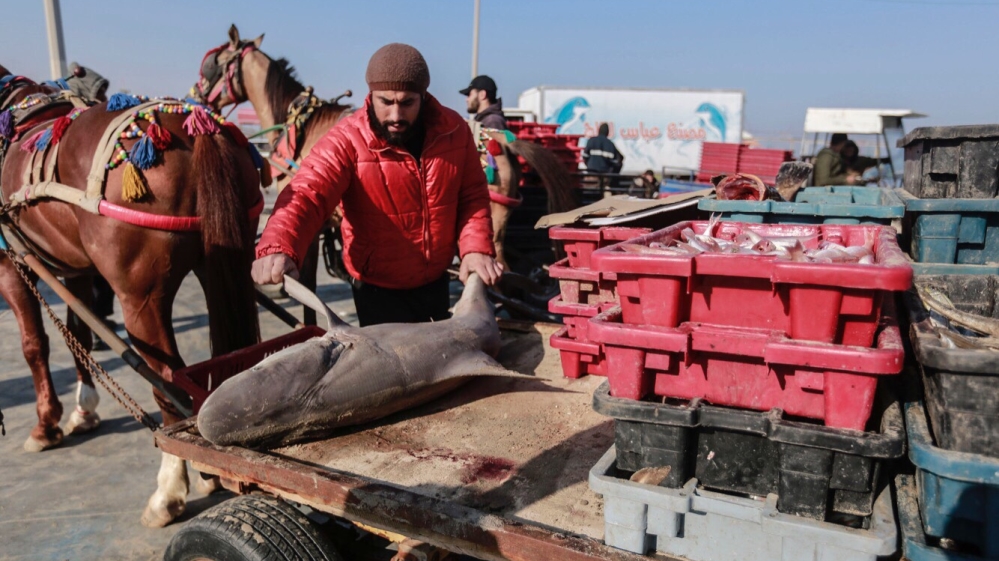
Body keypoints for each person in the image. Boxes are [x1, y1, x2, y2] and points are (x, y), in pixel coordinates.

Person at [252, 43, 502, 327]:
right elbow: (308, 193)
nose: (396, 116)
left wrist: (475, 248)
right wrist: (277, 245)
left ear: (423, 96)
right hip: (375, 289)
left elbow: (472, 194)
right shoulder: (347, 139)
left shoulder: (454, 131)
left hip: (435, 281)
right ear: (370, 95)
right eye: (386, 102)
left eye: (407, 103)